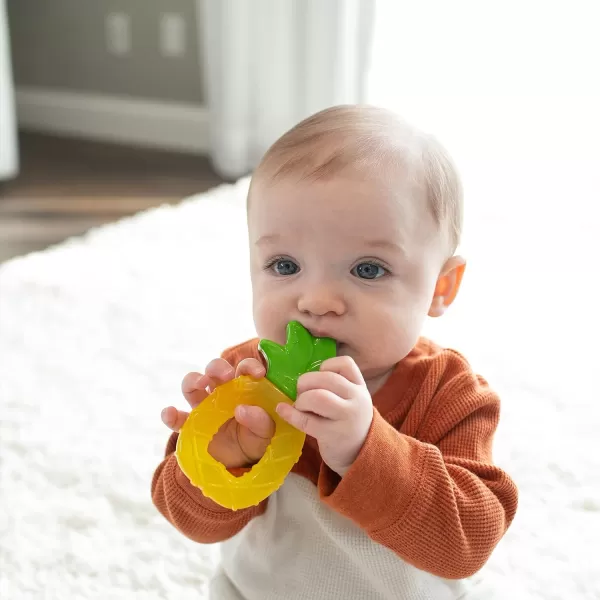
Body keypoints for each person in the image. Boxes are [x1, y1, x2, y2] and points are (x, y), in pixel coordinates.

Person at [152, 105, 519, 599]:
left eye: (367, 269)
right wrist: (226, 456)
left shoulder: (450, 394)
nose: (316, 301)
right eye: (284, 265)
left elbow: (467, 543)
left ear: (441, 287)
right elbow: (191, 522)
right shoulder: (248, 373)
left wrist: (365, 449)